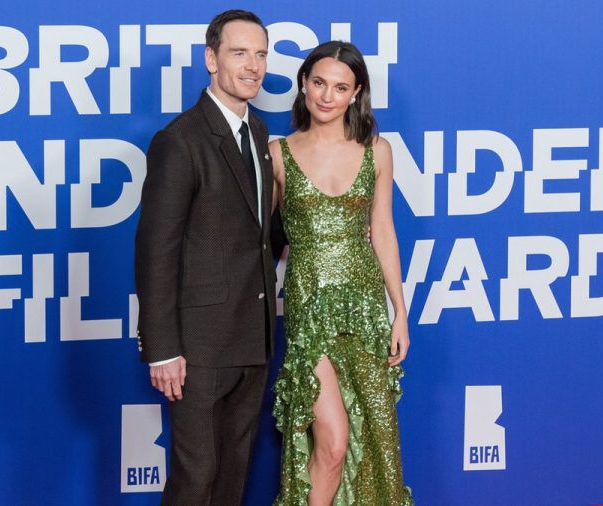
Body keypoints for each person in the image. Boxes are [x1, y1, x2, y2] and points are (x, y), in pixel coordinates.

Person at [134, 10, 276, 505]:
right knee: (197, 478)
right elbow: (156, 252)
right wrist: (162, 348)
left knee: (232, 476)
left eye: (260, 54)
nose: (253, 66)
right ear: (211, 59)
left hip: (251, 340)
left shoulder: (257, 135)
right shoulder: (179, 141)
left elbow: (259, 237)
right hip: (197, 348)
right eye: (240, 53)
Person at [269, 41, 414, 505]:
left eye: (340, 87)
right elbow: (260, 240)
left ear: (356, 93)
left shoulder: (377, 150)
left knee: (370, 437)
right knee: (330, 440)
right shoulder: (277, 153)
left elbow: (384, 231)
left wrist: (400, 312)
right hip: (310, 309)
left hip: (366, 306)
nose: (327, 96)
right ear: (304, 85)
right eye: (318, 83)